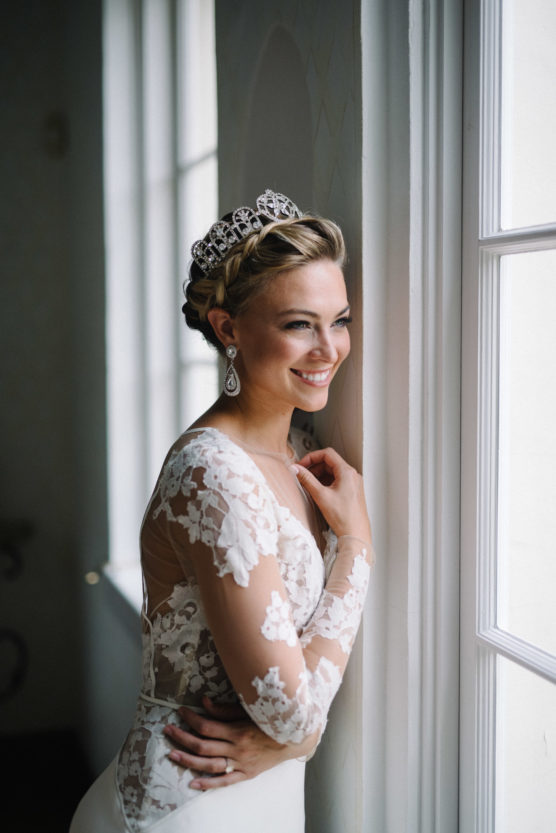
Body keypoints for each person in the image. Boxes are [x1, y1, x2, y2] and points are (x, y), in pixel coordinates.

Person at [70, 189, 373, 833]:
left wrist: (290, 739)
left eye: (339, 320)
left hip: (259, 801)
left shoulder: (302, 451)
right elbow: (292, 718)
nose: (329, 348)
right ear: (226, 327)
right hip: (190, 807)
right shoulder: (213, 473)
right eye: (299, 324)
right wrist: (357, 549)